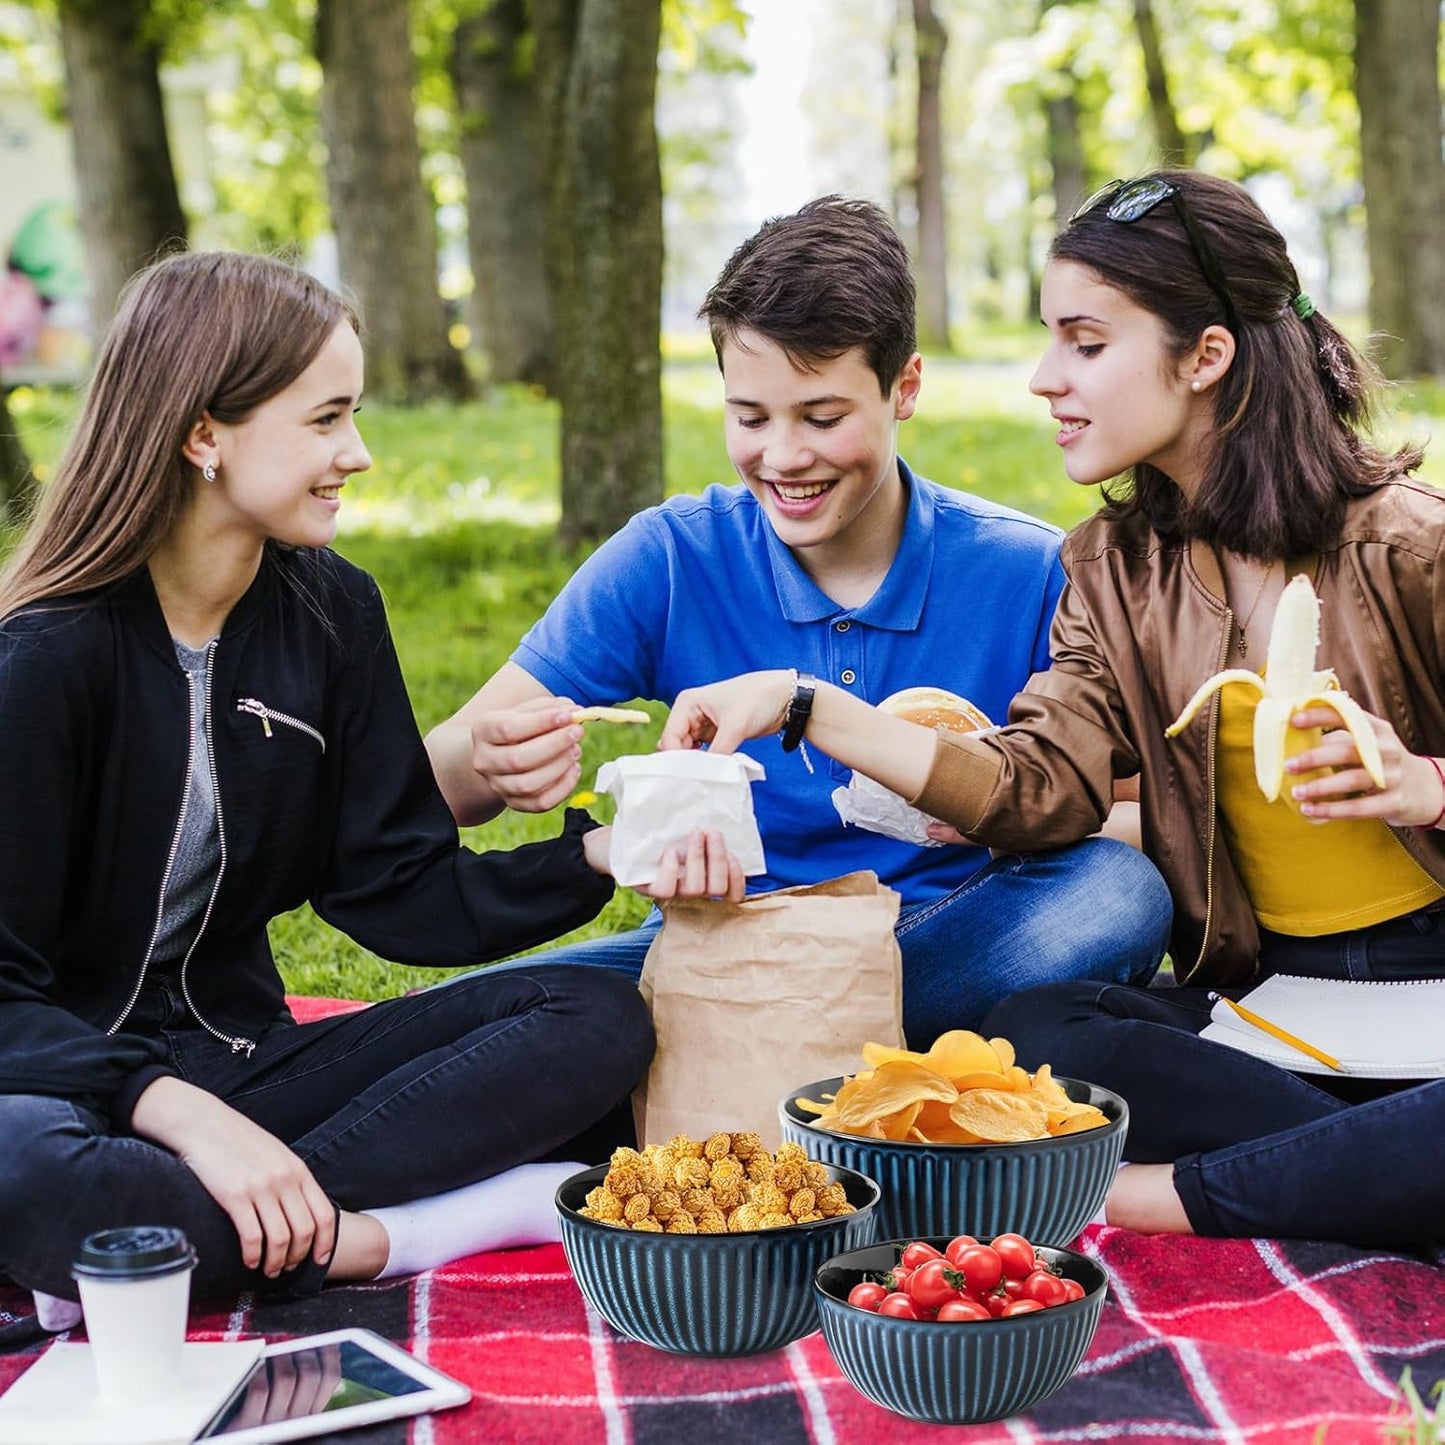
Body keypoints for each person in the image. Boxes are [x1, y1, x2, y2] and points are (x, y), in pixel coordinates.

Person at [658, 170, 1445, 1249]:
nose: (1043, 378)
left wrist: (1424, 785)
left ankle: (1171, 1194)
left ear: (1204, 355)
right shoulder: (1112, 570)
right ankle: (1380, 1164)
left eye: (1083, 342)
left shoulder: (1409, 546)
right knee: (1037, 1026)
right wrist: (803, 704)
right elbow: (1032, 791)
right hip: (1277, 1006)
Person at [0, 251, 745, 1326]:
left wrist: (596, 854)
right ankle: (407, 1227)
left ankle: (161, 1244)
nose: (356, 452)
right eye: (325, 420)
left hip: (243, 1060)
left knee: (590, 1016)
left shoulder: (331, 612)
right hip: (59, 1088)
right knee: (30, 1174)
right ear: (204, 434)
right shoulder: (43, 657)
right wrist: (171, 1111)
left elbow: (393, 889)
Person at [425, 196, 1172, 1046]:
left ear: (904, 388)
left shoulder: (1029, 570)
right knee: (440, 1029)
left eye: (822, 418)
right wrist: (490, 758)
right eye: (749, 418)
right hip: (723, 950)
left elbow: (1141, 824)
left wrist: (1002, 818)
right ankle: (810, 1058)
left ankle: (749, 1051)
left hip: (944, 942)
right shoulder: (670, 556)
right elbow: (436, 786)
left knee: (1115, 894)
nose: (781, 457)